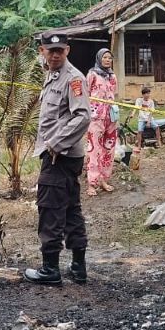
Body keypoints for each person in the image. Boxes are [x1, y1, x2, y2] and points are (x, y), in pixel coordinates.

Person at [23, 33, 92, 286]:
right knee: (71, 209)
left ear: (68, 50)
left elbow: (82, 116)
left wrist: (56, 144)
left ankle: (50, 269)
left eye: (60, 51)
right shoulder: (52, 73)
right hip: (60, 154)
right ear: (42, 50)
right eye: (50, 50)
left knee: (50, 208)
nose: (55, 55)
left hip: (60, 156)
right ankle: (78, 267)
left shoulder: (73, 78)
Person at [84, 48, 119, 195]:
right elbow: (85, 94)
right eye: (105, 57)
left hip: (111, 118)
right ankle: (92, 183)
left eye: (109, 58)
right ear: (99, 58)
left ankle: (104, 179)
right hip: (96, 118)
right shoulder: (92, 74)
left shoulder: (112, 76)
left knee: (108, 150)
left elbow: (114, 94)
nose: (107, 60)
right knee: (94, 150)